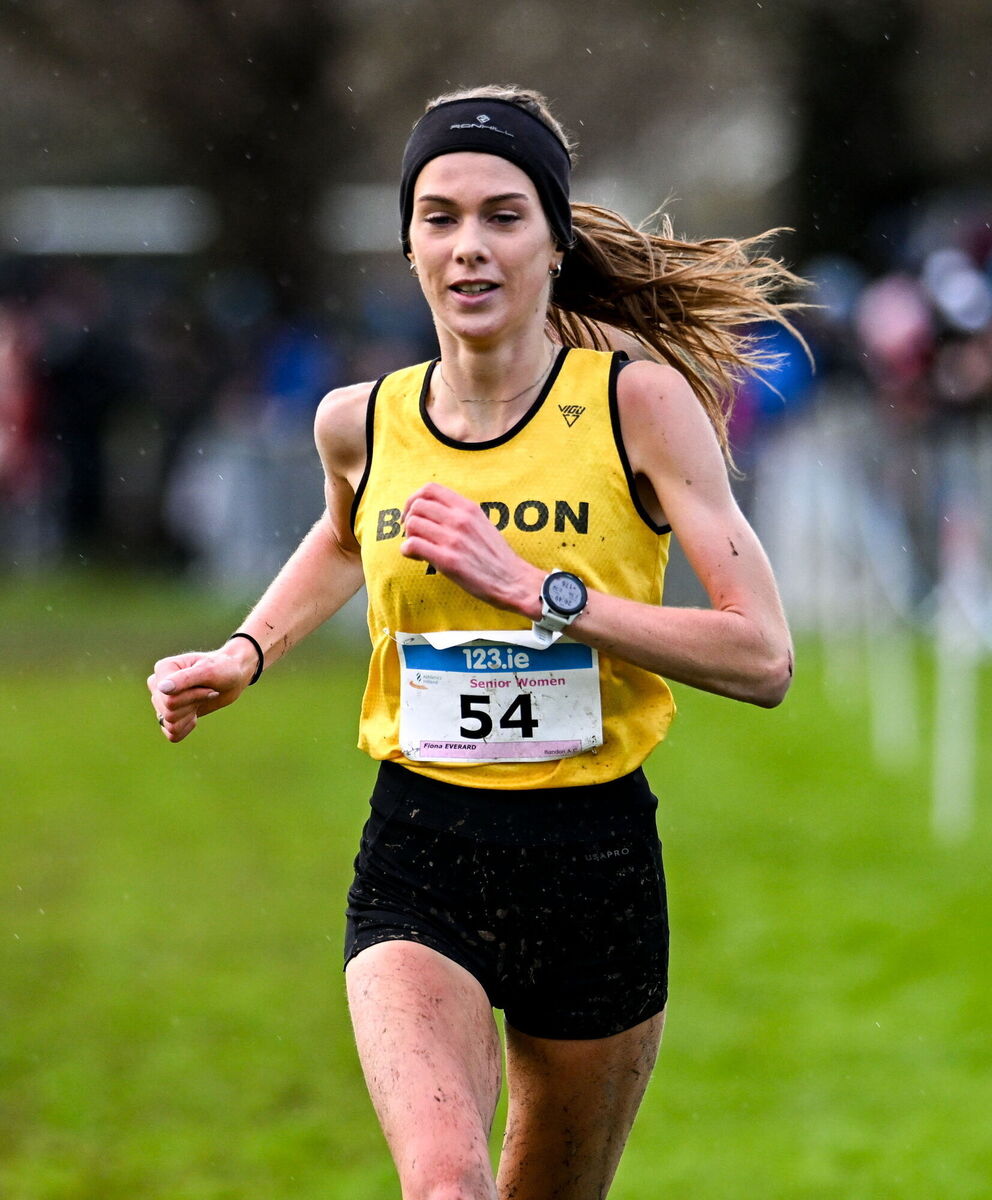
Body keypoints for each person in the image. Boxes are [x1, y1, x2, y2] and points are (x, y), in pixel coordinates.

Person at [149, 86, 799, 1200]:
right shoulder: (360, 420)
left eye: (503, 216)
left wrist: (540, 591)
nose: (469, 246)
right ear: (408, 244)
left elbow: (763, 657)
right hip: (422, 847)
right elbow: (342, 537)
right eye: (439, 217)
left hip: (593, 863)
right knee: (446, 1186)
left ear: (555, 240)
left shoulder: (637, 408)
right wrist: (244, 654)